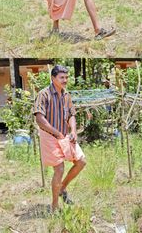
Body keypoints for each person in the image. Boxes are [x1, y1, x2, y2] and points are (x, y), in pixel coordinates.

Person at [34, 65, 86, 211]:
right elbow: (39, 119)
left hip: (64, 135)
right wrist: (56, 133)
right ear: (53, 78)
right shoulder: (44, 94)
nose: (65, 80)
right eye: (62, 77)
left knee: (81, 161)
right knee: (59, 168)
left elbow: (71, 115)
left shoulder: (66, 95)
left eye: (66, 77)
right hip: (49, 135)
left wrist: (74, 131)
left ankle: (62, 187)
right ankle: (55, 206)